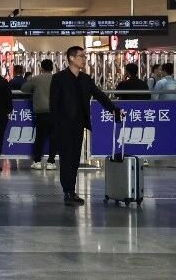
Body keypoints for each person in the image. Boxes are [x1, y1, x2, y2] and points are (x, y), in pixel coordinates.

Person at [50, 46, 122, 206]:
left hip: (79, 124)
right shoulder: (59, 78)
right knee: (66, 158)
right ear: (71, 58)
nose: (84, 59)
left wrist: (114, 110)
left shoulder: (85, 79)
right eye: (81, 56)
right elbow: (53, 103)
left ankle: (71, 190)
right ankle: (68, 191)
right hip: (63, 125)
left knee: (74, 158)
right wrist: (55, 125)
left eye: (85, 56)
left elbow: (100, 96)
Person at [21, 59, 57, 170]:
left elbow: (24, 89)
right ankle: (51, 162)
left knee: (40, 138)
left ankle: (37, 161)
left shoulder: (36, 79)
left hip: (41, 113)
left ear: (41, 68)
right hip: (55, 112)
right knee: (54, 138)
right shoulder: (57, 79)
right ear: (52, 68)